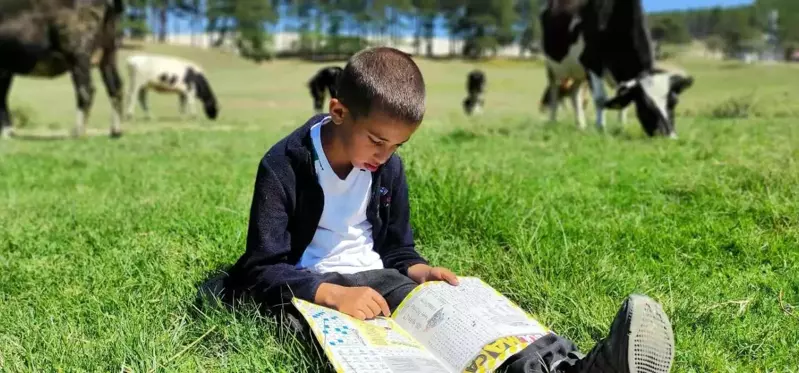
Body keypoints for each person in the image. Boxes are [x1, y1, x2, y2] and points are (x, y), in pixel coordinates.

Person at [206, 46, 675, 373]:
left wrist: (416, 270)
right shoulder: (282, 166)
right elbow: (261, 268)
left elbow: (396, 249)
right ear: (339, 112)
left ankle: (572, 366)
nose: (384, 156)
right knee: (356, 345)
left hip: (377, 279)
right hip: (311, 288)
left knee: (458, 315)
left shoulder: (387, 168)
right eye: (377, 141)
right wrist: (330, 294)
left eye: (397, 145)